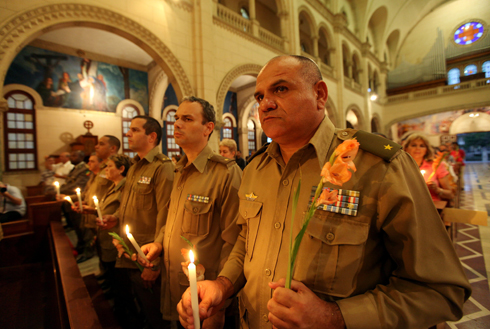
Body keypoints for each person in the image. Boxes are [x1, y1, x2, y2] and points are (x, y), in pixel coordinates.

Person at [177, 55, 471, 329]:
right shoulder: (256, 168)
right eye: (260, 96)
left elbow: (441, 290)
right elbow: (246, 240)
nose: (265, 104)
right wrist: (223, 285)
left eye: (280, 89)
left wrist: (335, 317)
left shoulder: (377, 166)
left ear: (319, 94)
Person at [140, 97, 242, 327]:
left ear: (208, 128)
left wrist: (220, 304)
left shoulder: (225, 174)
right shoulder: (179, 170)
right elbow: (173, 220)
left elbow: (234, 242)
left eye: (187, 119)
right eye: (176, 118)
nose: (176, 124)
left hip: (205, 297)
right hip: (175, 284)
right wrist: (158, 243)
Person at [104, 115, 174, 329]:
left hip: (147, 258)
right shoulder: (134, 166)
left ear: (152, 136)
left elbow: (167, 218)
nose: (128, 133)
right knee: (142, 308)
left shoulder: (163, 168)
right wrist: (115, 218)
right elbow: (128, 204)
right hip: (129, 251)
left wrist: (155, 264)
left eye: (134, 130)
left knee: (156, 317)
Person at [81, 154, 137, 327]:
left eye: (109, 166)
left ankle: (128, 319)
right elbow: (106, 210)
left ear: (121, 169)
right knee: (114, 282)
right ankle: (119, 311)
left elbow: (124, 211)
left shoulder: (125, 187)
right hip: (106, 239)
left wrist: (111, 217)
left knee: (122, 286)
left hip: (116, 243)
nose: (106, 170)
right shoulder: (113, 186)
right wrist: (92, 211)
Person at [403, 133, 455, 203]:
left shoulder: (436, 165)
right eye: (413, 145)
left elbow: (450, 195)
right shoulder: (401, 166)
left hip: (432, 205)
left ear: (426, 150)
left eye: (422, 146)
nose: (417, 148)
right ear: (406, 148)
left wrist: (437, 190)